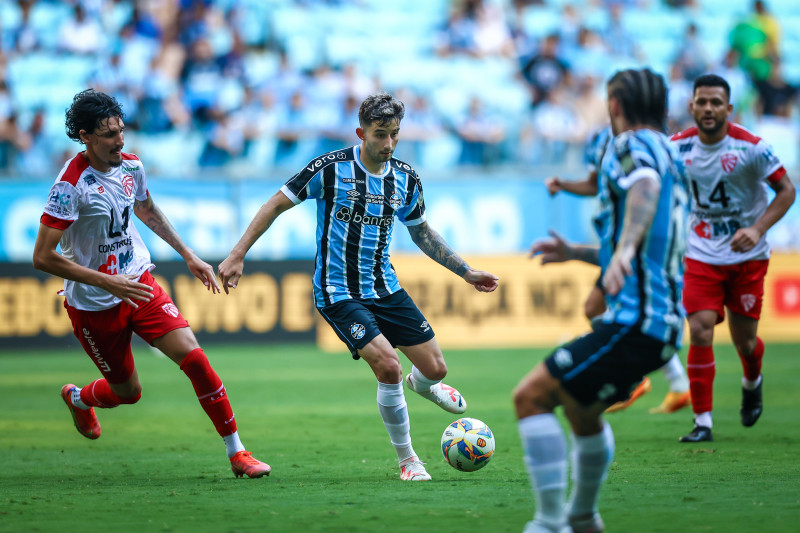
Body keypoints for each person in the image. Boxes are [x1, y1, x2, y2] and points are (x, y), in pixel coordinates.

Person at [218, 92, 499, 481]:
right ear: (361, 133)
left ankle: (423, 385)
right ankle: (408, 461)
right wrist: (237, 254)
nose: (388, 143)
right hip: (337, 291)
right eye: (380, 134)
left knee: (436, 369)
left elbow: (421, 233)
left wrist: (465, 272)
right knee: (388, 365)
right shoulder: (330, 169)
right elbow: (275, 204)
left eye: (394, 134)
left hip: (385, 288)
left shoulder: (406, 178)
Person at [32, 89, 270, 478]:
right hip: (94, 304)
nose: (119, 140)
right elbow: (42, 257)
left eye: (121, 131)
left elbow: (146, 208)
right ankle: (78, 398)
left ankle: (238, 453)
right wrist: (110, 283)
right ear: (85, 136)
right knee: (128, 392)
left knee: (195, 359)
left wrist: (188, 254)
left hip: (140, 284)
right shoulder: (69, 186)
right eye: (108, 134)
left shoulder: (131, 166)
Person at [515, 68, 689, 533]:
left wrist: (625, 248)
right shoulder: (672, 151)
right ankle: (583, 518)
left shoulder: (630, 145)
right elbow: (652, 234)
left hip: (637, 321)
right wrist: (576, 252)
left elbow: (644, 187)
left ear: (615, 105)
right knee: (582, 411)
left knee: (530, 397)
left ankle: (549, 523)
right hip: (662, 320)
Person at [671, 74, 796, 443]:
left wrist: (757, 229)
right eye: (702, 102)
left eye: (716, 102)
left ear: (729, 108)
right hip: (700, 254)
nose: (708, 108)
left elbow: (787, 191)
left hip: (747, 257)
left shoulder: (752, 148)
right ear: (691, 106)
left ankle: (752, 380)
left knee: (746, 343)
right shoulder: (676, 148)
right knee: (700, 328)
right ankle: (703, 422)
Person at [545, 125, 691, 415]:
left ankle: (642, 377)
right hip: (621, 242)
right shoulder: (604, 139)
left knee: (620, 313)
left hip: (636, 243)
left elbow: (646, 185)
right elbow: (595, 183)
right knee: (596, 308)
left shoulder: (639, 144)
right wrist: (565, 185)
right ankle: (673, 382)